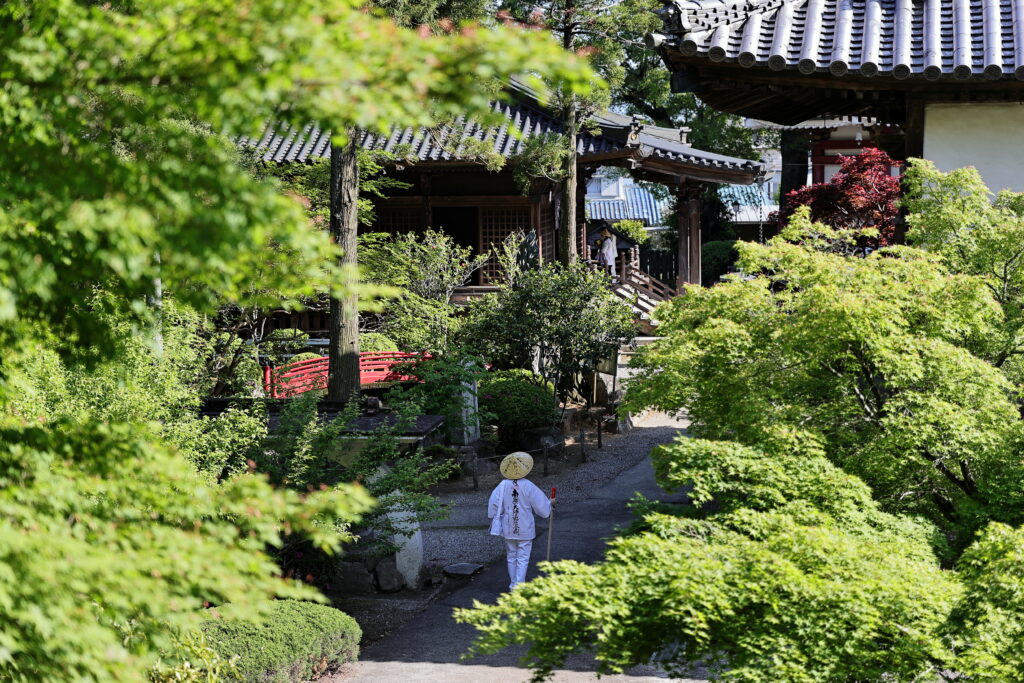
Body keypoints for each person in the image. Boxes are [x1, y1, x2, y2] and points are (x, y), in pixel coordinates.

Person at [488, 452, 553, 590]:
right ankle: (518, 586)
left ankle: (513, 585)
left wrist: (495, 516)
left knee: (511, 555)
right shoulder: (528, 485)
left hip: (508, 526)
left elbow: (493, 504)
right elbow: (541, 507)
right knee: (523, 557)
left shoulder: (503, 484)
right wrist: (550, 503)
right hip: (525, 527)